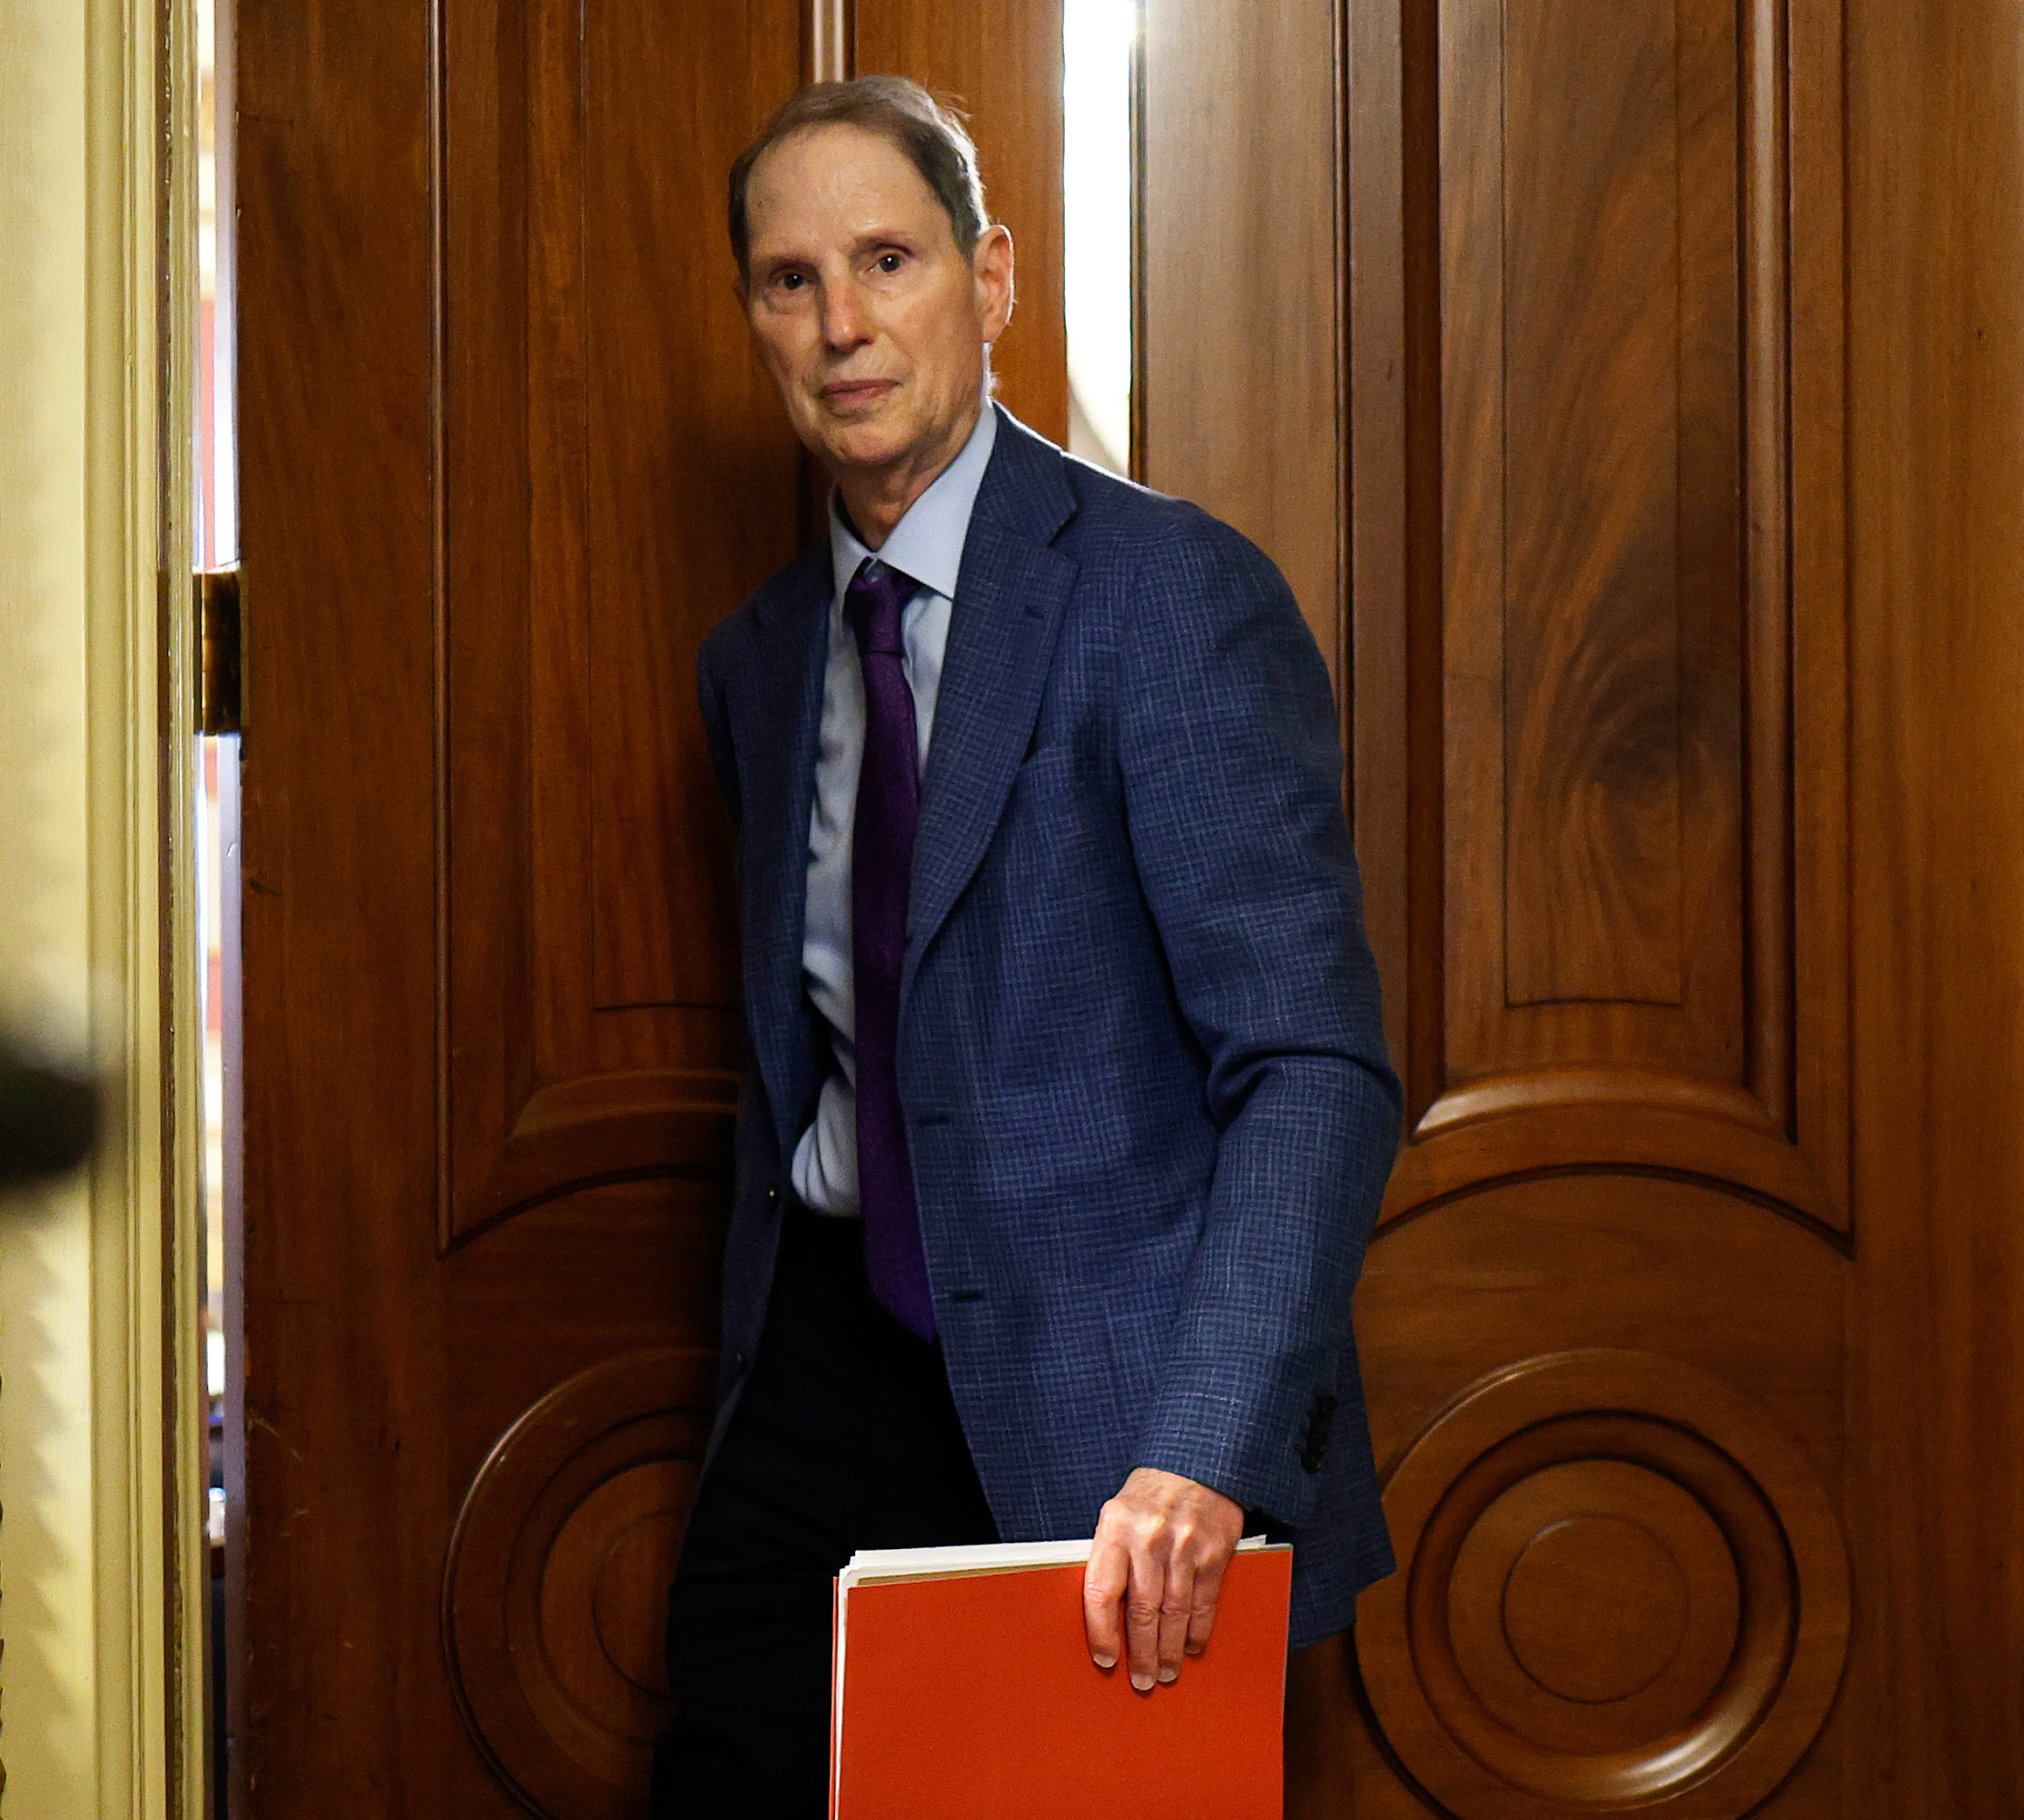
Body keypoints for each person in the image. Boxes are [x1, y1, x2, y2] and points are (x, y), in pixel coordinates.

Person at [649, 75, 1401, 1814]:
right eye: (788, 278)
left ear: (987, 282)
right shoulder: (756, 662)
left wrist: (1198, 1457)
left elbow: (1309, 1072)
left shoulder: (1168, 598)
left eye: (887, 259)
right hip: (814, 1389)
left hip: (1102, 1430)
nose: (841, 324)